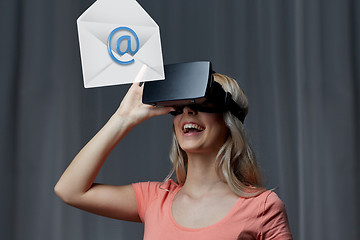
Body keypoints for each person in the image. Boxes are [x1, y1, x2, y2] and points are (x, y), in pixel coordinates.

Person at [54, 73, 293, 239]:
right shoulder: (155, 199)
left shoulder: (262, 207)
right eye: (180, 106)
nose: (189, 111)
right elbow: (70, 190)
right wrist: (123, 117)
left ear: (229, 120)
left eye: (203, 103)